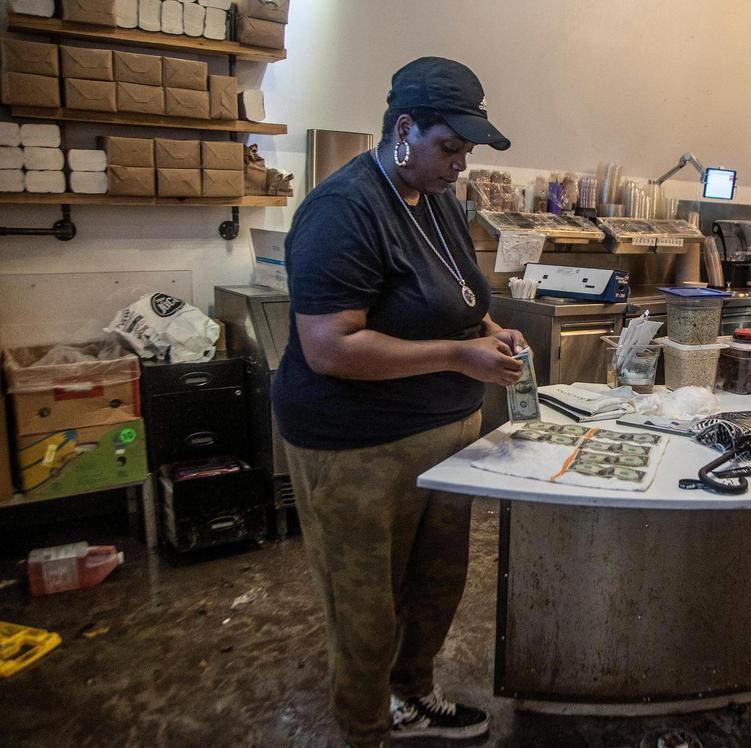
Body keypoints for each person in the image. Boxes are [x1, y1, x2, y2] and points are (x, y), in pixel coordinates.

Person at [271, 56, 527, 747]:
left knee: (435, 586)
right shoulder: (343, 210)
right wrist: (457, 355)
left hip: (444, 437)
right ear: (404, 128)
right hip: (358, 444)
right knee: (366, 604)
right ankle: (365, 727)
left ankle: (412, 695)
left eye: (467, 151)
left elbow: (454, 298)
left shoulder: (436, 198)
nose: (460, 165)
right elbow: (331, 347)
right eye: (450, 147)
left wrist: (488, 329)